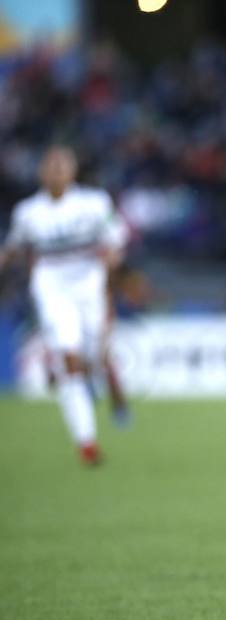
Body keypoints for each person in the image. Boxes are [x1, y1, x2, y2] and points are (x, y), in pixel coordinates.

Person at [1, 146, 130, 464]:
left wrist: (114, 253)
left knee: (93, 357)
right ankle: (86, 442)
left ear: (72, 172)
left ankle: (107, 374)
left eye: (62, 165)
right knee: (68, 359)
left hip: (89, 286)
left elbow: (117, 235)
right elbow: (14, 248)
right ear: (41, 173)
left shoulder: (94, 203)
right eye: (50, 165)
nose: (56, 170)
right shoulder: (28, 212)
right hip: (52, 288)